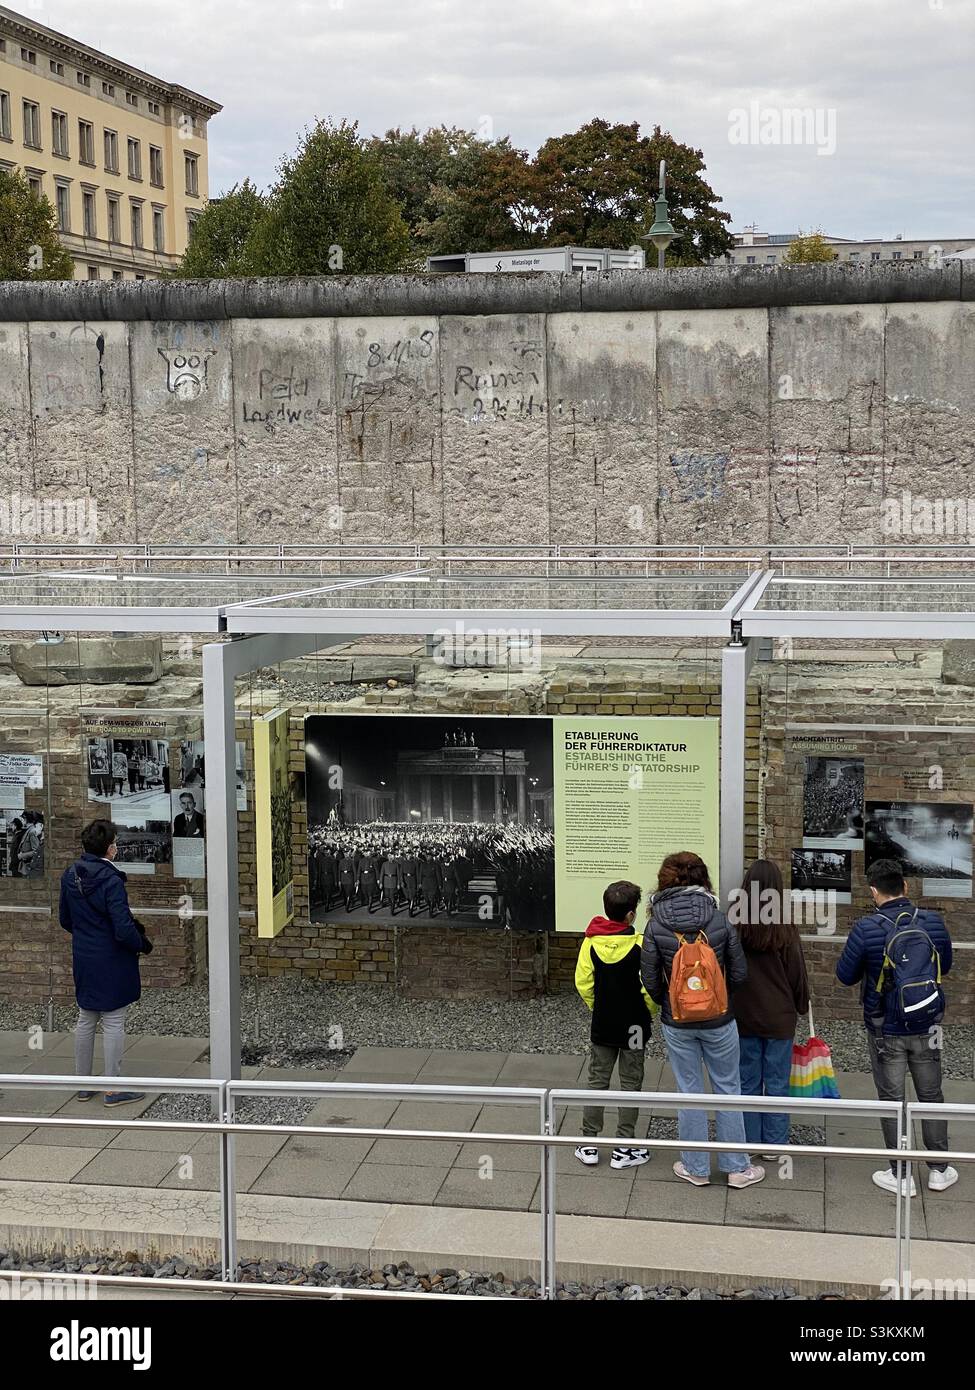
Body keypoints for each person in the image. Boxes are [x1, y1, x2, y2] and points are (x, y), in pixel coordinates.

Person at [641, 851, 764, 1189]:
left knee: (689, 1091)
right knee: (728, 1089)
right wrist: (718, 999)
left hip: (677, 1022)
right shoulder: (719, 920)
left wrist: (668, 1003)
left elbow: (649, 978)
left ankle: (695, 1168)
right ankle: (737, 1168)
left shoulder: (655, 925)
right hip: (720, 1021)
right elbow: (739, 973)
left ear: (665, 880)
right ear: (702, 879)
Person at [836, 857, 956, 1196]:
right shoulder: (932, 922)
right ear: (905, 886)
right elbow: (943, 965)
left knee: (891, 1099)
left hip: (884, 1028)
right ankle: (939, 1170)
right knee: (931, 1095)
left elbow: (845, 976)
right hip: (926, 1023)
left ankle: (901, 1174)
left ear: (874, 891)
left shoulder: (866, 928)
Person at [58, 819, 153, 1107]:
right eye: (115, 842)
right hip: (111, 957)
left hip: (84, 955)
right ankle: (113, 1088)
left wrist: (88, 936)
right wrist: (141, 944)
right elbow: (123, 928)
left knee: (86, 1017)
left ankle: (83, 1085)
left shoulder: (70, 874)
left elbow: (65, 919)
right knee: (113, 1020)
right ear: (110, 848)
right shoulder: (111, 881)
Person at [731, 859, 809, 1159]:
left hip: (744, 1016)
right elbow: (796, 974)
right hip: (779, 1019)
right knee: (778, 1083)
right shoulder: (785, 927)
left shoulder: (735, 924)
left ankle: (749, 1144)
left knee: (747, 1082)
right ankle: (775, 1146)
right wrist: (801, 1005)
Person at [574, 880, 655, 1169]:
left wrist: (597, 1007)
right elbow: (649, 987)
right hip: (634, 1026)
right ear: (631, 916)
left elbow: (582, 983)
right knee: (631, 1083)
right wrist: (647, 1011)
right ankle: (625, 1145)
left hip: (604, 1023)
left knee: (597, 1080)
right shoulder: (640, 943)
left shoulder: (590, 943)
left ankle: (589, 1143)